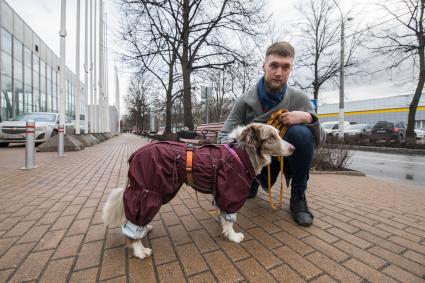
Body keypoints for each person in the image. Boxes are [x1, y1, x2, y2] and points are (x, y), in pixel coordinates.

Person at [217, 42, 325, 227]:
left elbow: (321, 139)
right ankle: (250, 180)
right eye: (274, 65)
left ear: (291, 69)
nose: (278, 72)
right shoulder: (245, 100)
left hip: (285, 156)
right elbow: (224, 136)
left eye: (285, 67)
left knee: (301, 133)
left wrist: (307, 117)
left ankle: (298, 196)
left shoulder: (299, 98)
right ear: (264, 66)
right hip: (254, 161)